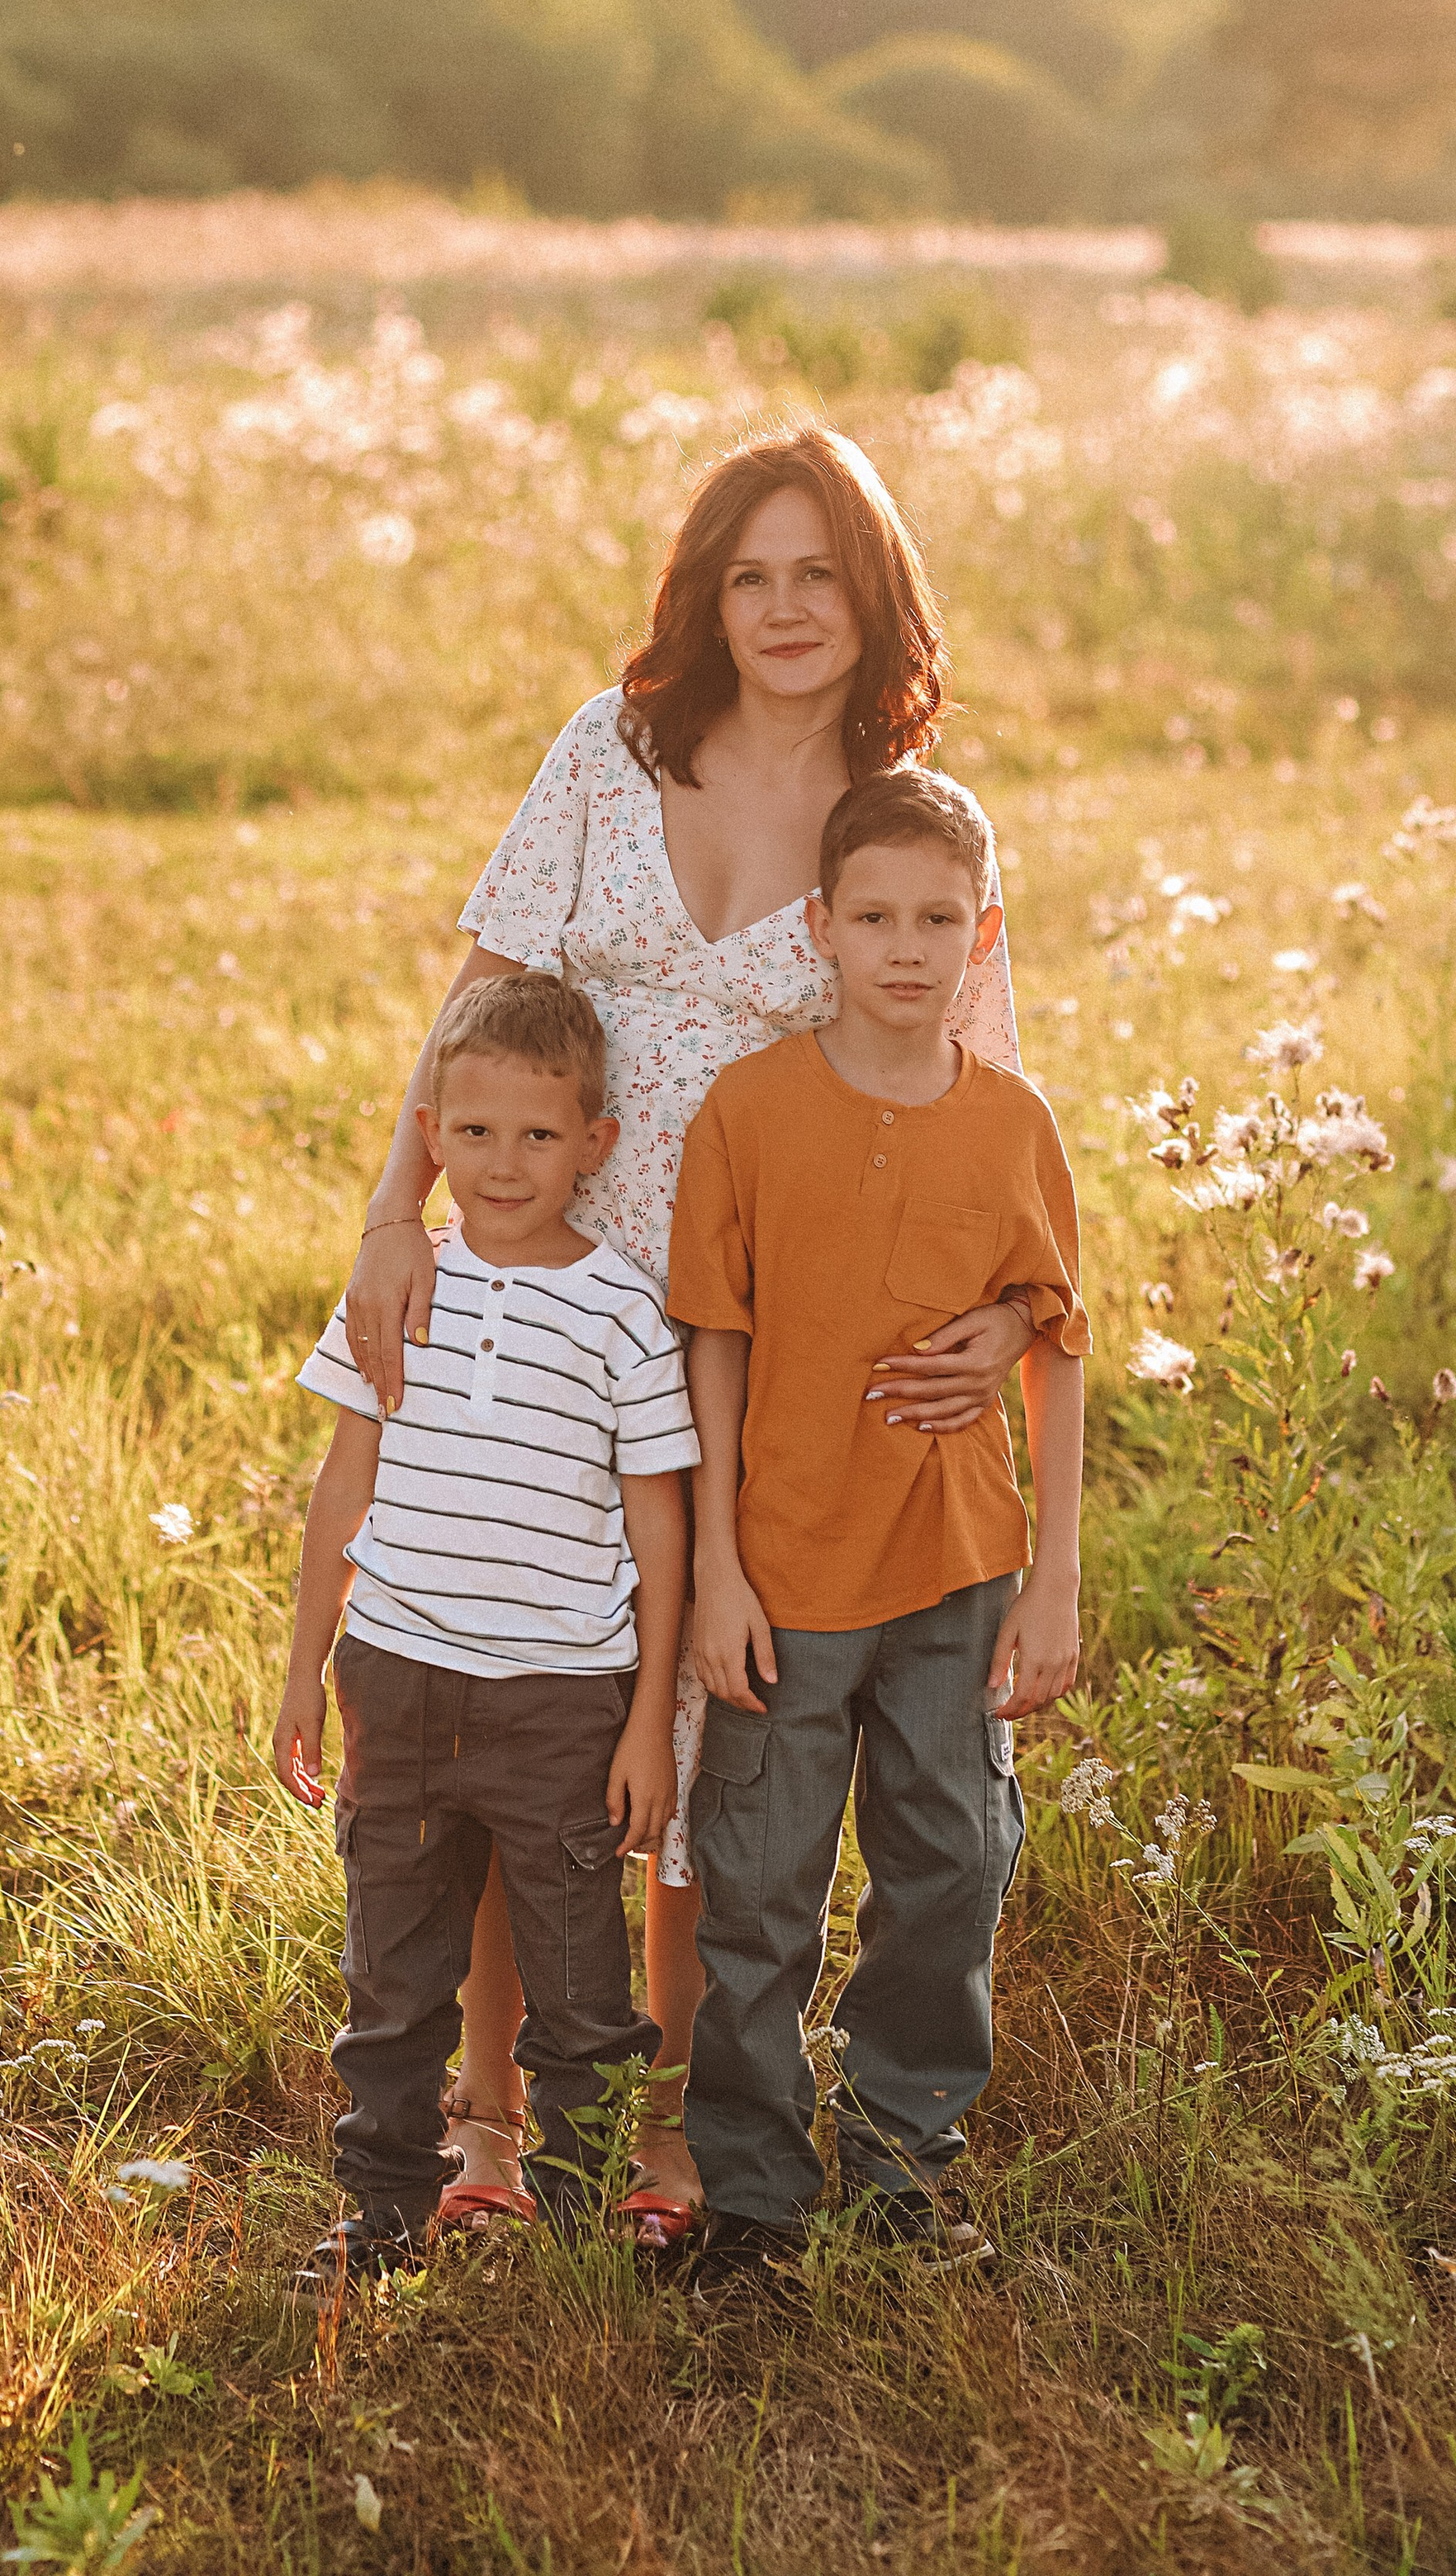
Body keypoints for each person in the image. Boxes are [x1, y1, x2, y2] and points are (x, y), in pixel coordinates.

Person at [339, 423, 1033, 2243]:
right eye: (751, 574)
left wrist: (987, 1323)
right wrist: (388, 1207)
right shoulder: (613, 746)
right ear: (703, 595)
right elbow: (484, 990)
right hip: (542, 1287)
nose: (787, 609)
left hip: (760, 1336)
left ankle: (653, 2129)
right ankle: (486, 2126)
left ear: (871, 595)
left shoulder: (904, 814)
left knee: (699, 1722)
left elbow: (978, 1087)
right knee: (525, 1699)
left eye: (821, 573)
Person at [669, 766, 1088, 2277]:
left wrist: (1057, 1580)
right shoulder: (754, 1107)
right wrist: (716, 1566)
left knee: (948, 1871)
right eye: (875, 916)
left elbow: (1056, 1342)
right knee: (759, 1889)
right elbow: (713, 1338)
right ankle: (755, 2202)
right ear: (820, 928)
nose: (907, 946)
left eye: (939, 917)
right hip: (782, 1571)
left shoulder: (1014, 1123)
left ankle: (907, 2168)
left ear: (984, 935)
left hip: (959, 1569)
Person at [273, 973, 696, 2280]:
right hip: (396, 1683)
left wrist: (645, 1726)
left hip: (560, 1700)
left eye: (537, 1137)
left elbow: (659, 1537)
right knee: (392, 1981)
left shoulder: (624, 1312)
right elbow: (340, 1484)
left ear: (597, 1146)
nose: (501, 1166)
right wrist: (305, 1671)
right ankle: (383, 2219)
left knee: (581, 1994)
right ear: (428, 1133)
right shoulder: (400, 1289)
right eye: (471, 1135)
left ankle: (577, 2232)